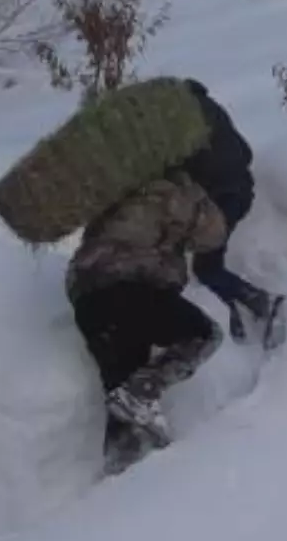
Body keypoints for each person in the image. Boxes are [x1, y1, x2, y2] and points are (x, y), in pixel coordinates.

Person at [67, 167, 229, 473]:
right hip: (129, 287)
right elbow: (214, 234)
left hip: (86, 297)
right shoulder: (174, 188)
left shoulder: (111, 183)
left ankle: (120, 475)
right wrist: (198, 195)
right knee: (204, 335)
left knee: (121, 389)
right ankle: (140, 395)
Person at [179, 78, 285, 349]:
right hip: (240, 193)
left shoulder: (183, 125)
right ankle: (235, 312)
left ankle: (260, 303)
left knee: (206, 267)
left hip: (220, 201)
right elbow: (246, 152)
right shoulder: (215, 111)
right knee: (208, 261)